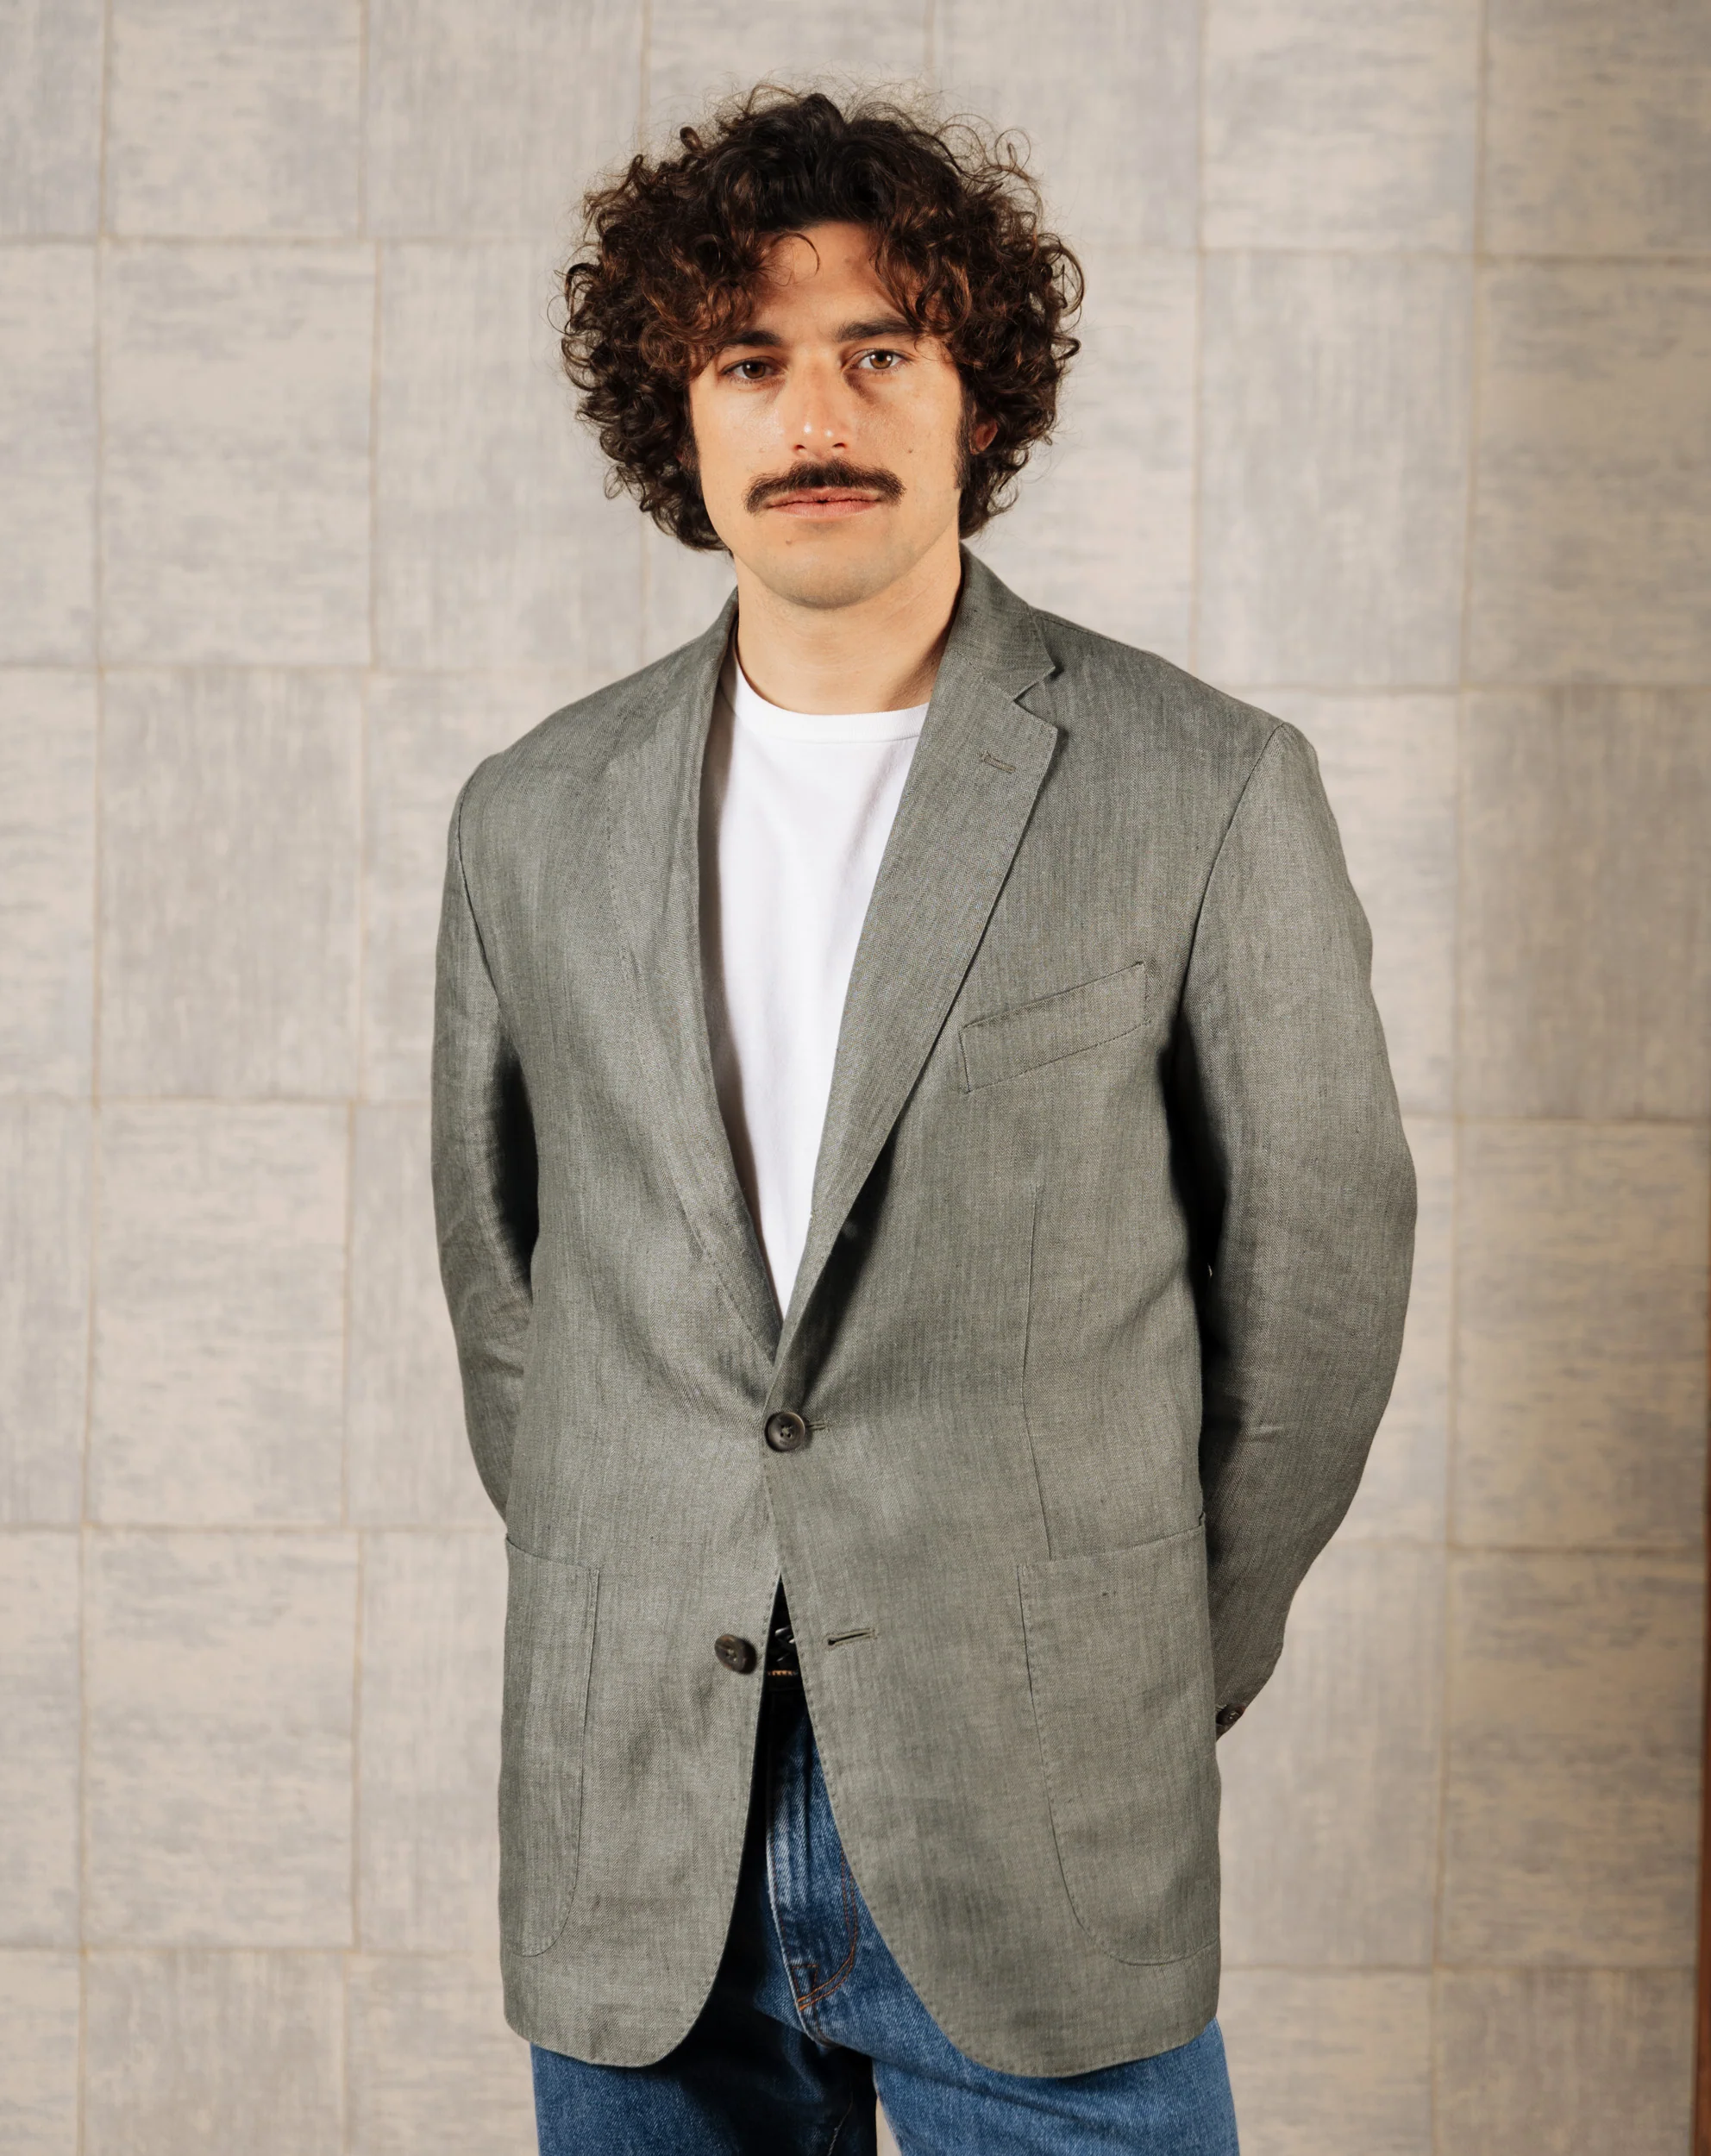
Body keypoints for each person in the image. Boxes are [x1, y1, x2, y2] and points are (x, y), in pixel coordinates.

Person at [430, 85, 1416, 2156]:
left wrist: (1133, 1660)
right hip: (639, 1815)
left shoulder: (1198, 782)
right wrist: (646, 1564)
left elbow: (1315, 1278)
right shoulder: (530, 814)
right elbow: (509, 1292)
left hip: (1041, 1799)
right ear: (678, 413)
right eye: (749, 358)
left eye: (882, 349)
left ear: (981, 393)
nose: (818, 413)